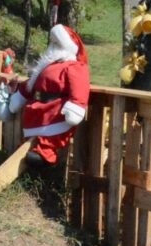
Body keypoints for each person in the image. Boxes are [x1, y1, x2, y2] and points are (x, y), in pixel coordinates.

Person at [8, 24, 91, 166]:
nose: (53, 46)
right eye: (53, 42)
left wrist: (76, 106)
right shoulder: (45, 66)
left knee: (50, 137)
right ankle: (27, 151)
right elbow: (31, 83)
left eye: (58, 43)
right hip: (37, 108)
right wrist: (19, 96)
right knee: (31, 136)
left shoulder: (74, 67)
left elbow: (80, 85)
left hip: (55, 110)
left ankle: (45, 154)